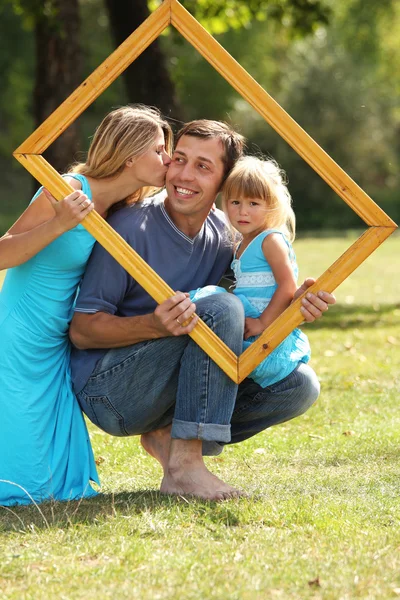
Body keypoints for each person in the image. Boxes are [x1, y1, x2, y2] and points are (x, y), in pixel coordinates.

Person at [69, 120, 335, 502]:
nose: (184, 175)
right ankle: (185, 469)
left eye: (203, 166)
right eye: (179, 159)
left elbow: (259, 294)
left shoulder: (228, 237)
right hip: (110, 391)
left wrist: (299, 302)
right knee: (220, 306)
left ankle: (169, 439)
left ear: (225, 183)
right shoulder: (130, 227)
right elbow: (82, 330)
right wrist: (155, 324)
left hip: (169, 388)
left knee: (299, 386)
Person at [0, 105, 173, 506]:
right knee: (21, 461)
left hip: (60, 339)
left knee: (55, 485)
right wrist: (58, 223)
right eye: (160, 150)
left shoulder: (124, 209)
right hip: (20, 331)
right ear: (130, 156)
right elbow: (3, 254)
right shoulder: (67, 188)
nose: (167, 160)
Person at [191, 155, 311, 389]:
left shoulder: (270, 240)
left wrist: (262, 323)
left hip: (262, 317)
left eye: (253, 204)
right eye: (235, 202)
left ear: (271, 206)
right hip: (250, 314)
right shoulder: (243, 242)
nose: (242, 212)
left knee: (211, 296)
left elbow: (287, 286)